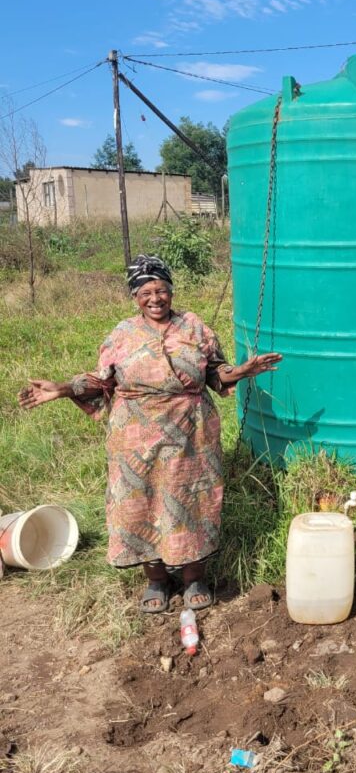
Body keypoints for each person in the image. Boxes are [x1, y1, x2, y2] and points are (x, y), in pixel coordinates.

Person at [18, 255, 282, 613]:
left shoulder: (194, 327)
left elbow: (216, 374)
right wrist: (63, 388)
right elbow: (102, 381)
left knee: (193, 504)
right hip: (134, 442)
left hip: (192, 435)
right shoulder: (122, 334)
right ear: (135, 297)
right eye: (146, 291)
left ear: (171, 291)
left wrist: (243, 370)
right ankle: (156, 581)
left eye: (161, 290)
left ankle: (193, 579)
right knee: (138, 505)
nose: (155, 298)